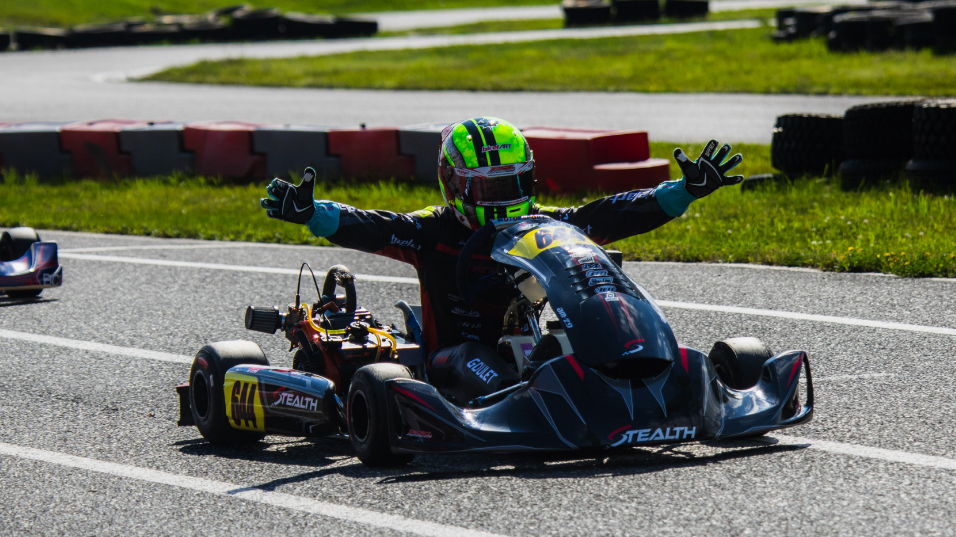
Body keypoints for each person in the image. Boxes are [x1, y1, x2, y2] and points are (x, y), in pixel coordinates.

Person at [261, 117, 742, 403]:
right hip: (452, 359)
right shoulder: (431, 231)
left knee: (570, 341)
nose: (504, 199)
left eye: (512, 184)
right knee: (479, 360)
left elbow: (609, 214)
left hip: (528, 351)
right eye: (490, 188)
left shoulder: (541, 223)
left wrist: (682, 192)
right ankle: (534, 400)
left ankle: (649, 381)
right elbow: (370, 224)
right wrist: (313, 214)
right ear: (455, 185)